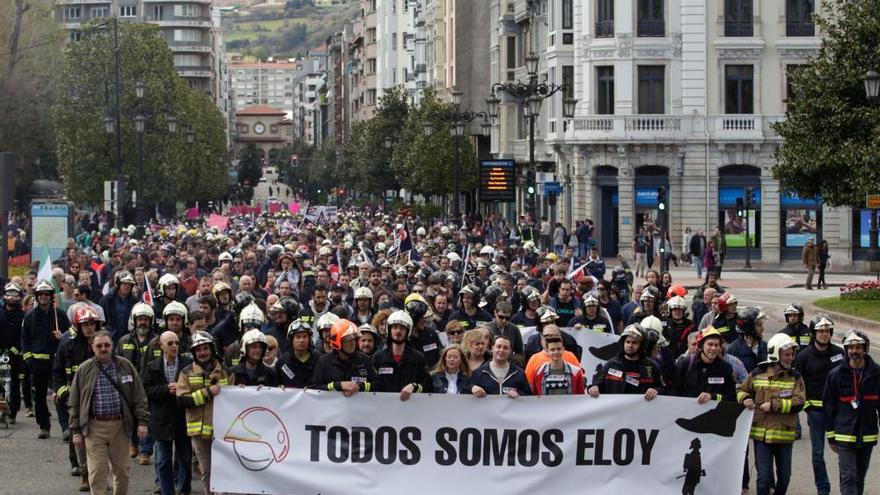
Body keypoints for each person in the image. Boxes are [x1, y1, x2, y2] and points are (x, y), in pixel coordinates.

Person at [68, 330, 150, 495]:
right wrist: (76, 431)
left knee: (122, 471)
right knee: (97, 472)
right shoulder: (84, 370)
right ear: (92, 347)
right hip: (93, 427)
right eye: (99, 346)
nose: (103, 349)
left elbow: (139, 396)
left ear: (112, 346)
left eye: (107, 345)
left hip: (120, 426)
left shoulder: (125, 366)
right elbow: (74, 403)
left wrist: (142, 422)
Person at [738, 333, 805, 495]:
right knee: (763, 480)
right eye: (787, 354)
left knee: (784, 477)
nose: (790, 358)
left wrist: (775, 405)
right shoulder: (757, 373)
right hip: (762, 436)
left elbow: (800, 402)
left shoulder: (795, 377)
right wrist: (745, 398)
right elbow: (741, 390)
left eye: (792, 354)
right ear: (776, 354)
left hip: (784, 434)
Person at [823, 329, 879, 495]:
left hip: (867, 434)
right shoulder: (835, 375)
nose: (854, 351)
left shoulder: (877, 374)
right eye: (850, 348)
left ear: (865, 349)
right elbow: (829, 407)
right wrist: (831, 436)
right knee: (848, 476)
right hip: (844, 435)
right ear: (846, 350)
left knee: (859, 478)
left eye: (858, 347)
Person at [794, 314, 844, 495]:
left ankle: (845, 488)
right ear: (814, 333)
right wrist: (806, 407)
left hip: (838, 414)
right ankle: (823, 490)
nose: (824, 334)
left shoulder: (840, 353)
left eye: (827, 331)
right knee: (817, 454)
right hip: (815, 413)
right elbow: (798, 384)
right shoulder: (803, 356)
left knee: (843, 453)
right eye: (820, 331)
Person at [176, 331, 231, 495]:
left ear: (212, 349)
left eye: (205, 348)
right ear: (193, 353)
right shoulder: (186, 373)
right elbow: (182, 401)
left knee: (223, 469)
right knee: (207, 470)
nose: (202, 353)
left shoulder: (225, 372)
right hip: (199, 432)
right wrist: (207, 392)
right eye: (198, 350)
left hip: (222, 431)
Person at [52, 306, 100, 491]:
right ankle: (81, 470)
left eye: (92, 324)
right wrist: (63, 391)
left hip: (98, 398)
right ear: (78, 326)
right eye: (85, 324)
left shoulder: (102, 343)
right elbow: (57, 371)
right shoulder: (68, 343)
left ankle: (97, 473)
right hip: (75, 398)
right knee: (76, 435)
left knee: (98, 439)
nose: (89, 328)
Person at [142, 331, 193, 495]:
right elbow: (145, 390)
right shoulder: (152, 366)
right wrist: (165, 389)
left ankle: (184, 489)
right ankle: (167, 491)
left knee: (185, 460)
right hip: (161, 419)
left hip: (182, 418)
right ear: (161, 345)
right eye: (170, 343)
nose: (174, 346)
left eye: (177, 343)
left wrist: (182, 390)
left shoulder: (188, 364)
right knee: (163, 461)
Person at [22, 280, 71, 438]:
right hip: (37, 363)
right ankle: (44, 427)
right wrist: (29, 361)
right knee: (40, 397)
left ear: (51, 296)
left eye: (46, 294)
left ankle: (65, 427)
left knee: (61, 394)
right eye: (40, 294)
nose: (43, 297)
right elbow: (25, 340)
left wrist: (61, 336)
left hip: (57, 361)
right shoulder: (30, 317)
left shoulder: (60, 315)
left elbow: (71, 336)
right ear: (36, 296)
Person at [588, 324, 660, 400]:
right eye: (627, 342)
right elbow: (597, 385)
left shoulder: (652, 366)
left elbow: (664, 389)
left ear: (642, 345)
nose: (630, 345)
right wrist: (593, 388)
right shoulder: (610, 365)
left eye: (634, 342)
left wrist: (656, 391)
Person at [309, 319, 377, 394]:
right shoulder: (324, 362)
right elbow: (313, 388)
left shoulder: (365, 361)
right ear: (338, 343)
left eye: (354, 339)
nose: (352, 343)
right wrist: (338, 386)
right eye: (348, 340)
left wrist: (359, 387)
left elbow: (379, 385)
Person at [671, 327, 737, 403]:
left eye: (716, 345)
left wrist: (713, 396)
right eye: (710, 344)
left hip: (713, 413)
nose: (713, 348)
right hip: (687, 412)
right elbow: (674, 392)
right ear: (702, 345)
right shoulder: (686, 363)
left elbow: (731, 397)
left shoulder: (726, 367)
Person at [0, 282, 29, 425]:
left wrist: (15, 349)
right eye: (9, 293)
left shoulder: (23, 316)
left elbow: (24, 336)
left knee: (15, 384)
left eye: (15, 294)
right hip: (0, 353)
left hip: (16, 355)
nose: (12, 297)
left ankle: (13, 411)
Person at [276, 319, 318, 388]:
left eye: (305, 336)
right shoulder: (282, 362)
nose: (301, 340)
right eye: (298, 337)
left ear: (309, 339)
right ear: (291, 340)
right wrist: (279, 387)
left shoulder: (318, 360)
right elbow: (275, 383)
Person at [485, 300, 524, 366]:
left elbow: (520, 353)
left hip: (509, 365)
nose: (504, 320)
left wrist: (508, 357)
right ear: (495, 313)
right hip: (489, 364)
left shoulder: (514, 329)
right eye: (501, 317)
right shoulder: (486, 329)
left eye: (507, 318)